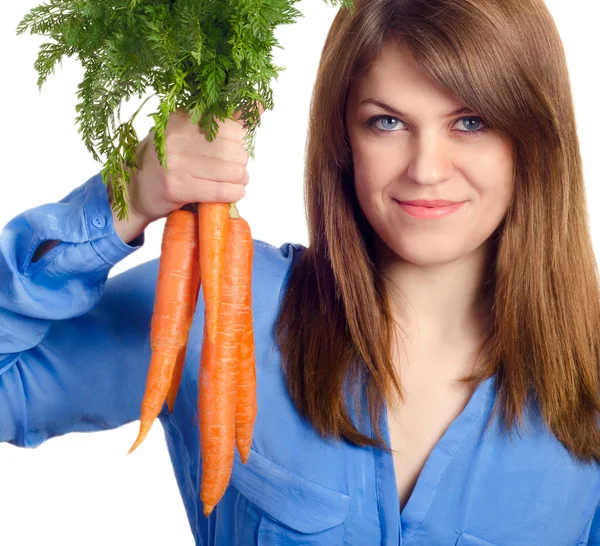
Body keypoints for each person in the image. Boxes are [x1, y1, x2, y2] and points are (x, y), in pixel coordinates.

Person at [1, 0, 599, 543]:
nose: (426, 170)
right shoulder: (221, 305)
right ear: (343, 138)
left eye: (471, 123)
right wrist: (123, 199)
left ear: (535, 140)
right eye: (386, 122)